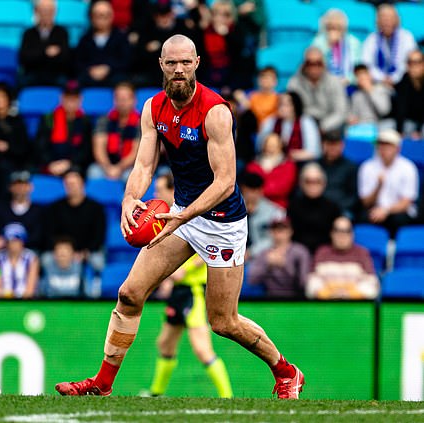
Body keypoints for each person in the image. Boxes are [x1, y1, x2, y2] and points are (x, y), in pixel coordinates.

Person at [54, 34, 305, 399]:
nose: (178, 69)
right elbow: (143, 164)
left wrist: (182, 215)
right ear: (161, 64)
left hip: (222, 222)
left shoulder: (216, 111)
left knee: (223, 322)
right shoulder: (153, 109)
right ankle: (102, 383)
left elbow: (226, 182)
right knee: (129, 293)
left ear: (197, 64)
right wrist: (129, 198)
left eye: (185, 62)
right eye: (171, 62)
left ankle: (286, 371)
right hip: (182, 216)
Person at [145, 171, 232, 398]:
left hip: (194, 291)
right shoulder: (173, 215)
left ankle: (228, 397)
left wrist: (184, 269)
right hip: (179, 291)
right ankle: (156, 394)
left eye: (159, 189)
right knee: (165, 343)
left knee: (202, 349)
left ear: (172, 190)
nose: (156, 194)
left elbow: (208, 245)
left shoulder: (192, 212)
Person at [358, 128, 419, 237]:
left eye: (388, 146)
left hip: (398, 212)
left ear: (397, 148)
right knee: (363, 217)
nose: (383, 149)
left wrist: (385, 210)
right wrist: (379, 186)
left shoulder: (408, 167)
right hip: (374, 210)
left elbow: (406, 202)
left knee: (398, 220)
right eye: (380, 145)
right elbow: (366, 202)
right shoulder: (367, 167)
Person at [306, 216, 379, 300]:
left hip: (355, 307)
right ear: (331, 233)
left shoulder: (362, 253)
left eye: (346, 231)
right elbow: (311, 283)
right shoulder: (322, 253)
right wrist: (329, 294)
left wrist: (350, 294)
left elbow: (372, 285)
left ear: (352, 234)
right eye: (337, 231)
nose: (342, 235)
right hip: (326, 307)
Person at [35, 81, 93, 176]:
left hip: (75, 166)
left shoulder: (85, 121)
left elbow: (86, 150)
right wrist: (50, 163)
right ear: (61, 98)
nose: (71, 102)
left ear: (80, 100)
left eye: (74, 99)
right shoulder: (48, 118)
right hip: (50, 165)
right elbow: (41, 146)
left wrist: (69, 163)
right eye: (68, 98)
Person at [287, 46, 349, 134]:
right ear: (304, 64)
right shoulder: (294, 83)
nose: (314, 67)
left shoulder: (335, 82)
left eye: (318, 63)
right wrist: (308, 127)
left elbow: (341, 112)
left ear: (323, 64)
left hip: (328, 126)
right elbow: (291, 111)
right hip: (303, 127)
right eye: (310, 63)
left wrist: (322, 126)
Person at [87, 81, 141, 181]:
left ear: (134, 100)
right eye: (118, 99)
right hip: (106, 165)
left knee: (130, 176)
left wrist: (119, 168)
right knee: (94, 172)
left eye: (125, 99)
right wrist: (108, 168)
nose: (122, 102)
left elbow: (136, 152)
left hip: (130, 167)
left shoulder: (141, 122)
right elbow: (99, 149)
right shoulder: (104, 120)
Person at [247, 216, 311, 298]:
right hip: (271, 299)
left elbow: (303, 284)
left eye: (282, 229)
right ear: (271, 232)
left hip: (297, 299)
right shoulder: (265, 253)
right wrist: (268, 265)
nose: (278, 233)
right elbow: (251, 280)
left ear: (290, 231)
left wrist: (285, 265)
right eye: (275, 229)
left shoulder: (300, 252)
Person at [288, 163, 342, 255]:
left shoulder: (333, 207)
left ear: (324, 183)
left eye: (317, 181)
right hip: (298, 254)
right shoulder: (293, 206)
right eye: (308, 181)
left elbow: (337, 236)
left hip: (326, 254)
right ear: (301, 183)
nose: (312, 185)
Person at [75, 1, 132, 87]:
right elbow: (78, 62)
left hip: (114, 77)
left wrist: (108, 68)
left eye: (106, 16)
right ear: (91, 17)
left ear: (111, 16)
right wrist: (90, 70)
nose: (102, 20)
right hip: (89, 77)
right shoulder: (85, 39)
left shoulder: (121, 38)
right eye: (98, 16)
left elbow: (126, 61)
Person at [18, 0, 71, 88]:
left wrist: (38, 54)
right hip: (33, 74)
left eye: (49, 11)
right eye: (43, 11)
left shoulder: (62, 32)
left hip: (56, 74)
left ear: (55, 12)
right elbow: (25, 59)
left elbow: (65, 58)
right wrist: (46, 53)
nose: (46, 14)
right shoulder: (28, 34)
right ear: (36, 12)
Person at [257, 91, 321, 164]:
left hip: (300, 163)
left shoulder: (306, 122)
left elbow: (313, 152)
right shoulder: (271, 122)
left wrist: (289, 157)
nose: (282, 108)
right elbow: (260, 147)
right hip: (274, 162)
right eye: (280, 104)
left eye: (287, 105)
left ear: (295, 106)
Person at [362, 4, 417, 87]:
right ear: (378, 21)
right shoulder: (371, 39)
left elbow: (411, 62)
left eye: (390, 18)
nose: (387, 21)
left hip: (404, 81)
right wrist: (382, 78)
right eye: (383, 18)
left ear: (396, 20)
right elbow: (366, 64)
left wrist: (394, 78)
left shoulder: (406, 37)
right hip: (378, 82)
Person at [239, 171, 286, 258]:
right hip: (235, 254)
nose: (251, 195)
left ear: (261, 190)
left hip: (263, 257)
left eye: (255, 191)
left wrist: (250, 252)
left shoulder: (275, 212)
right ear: (243, 190)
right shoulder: (234, 210)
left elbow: (275, 238)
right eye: (248, 191)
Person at [310, 8, 362, 85]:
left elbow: (359, 67)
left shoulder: (354, 42)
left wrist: (348, 79)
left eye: (338, 27)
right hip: (324, 84)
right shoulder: (317, 42)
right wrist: (329, 44)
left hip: (349, 84)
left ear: (344, 28)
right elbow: (315, 64)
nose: (334, 31)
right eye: (331, 27)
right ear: (325, 28)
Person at [245, 132, 297, 209]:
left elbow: (283, 189)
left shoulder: (288, 165)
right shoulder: (253, 165)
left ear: (280, 146)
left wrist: (258, 190)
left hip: (277, 207)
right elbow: (248, 187)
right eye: (268, 144)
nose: (271, 147)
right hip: (254, 206)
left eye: (274, 145)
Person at [0, 223, 40, 299]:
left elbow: (30, 290)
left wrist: (15, 296)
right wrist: (9, 295)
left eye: (16, 240)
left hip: (25, 302)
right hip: (2, 301)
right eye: (9, 240)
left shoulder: (32, 259)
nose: (12, 244)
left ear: (23, 241)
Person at [317, 129, 359, 219]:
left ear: (342, 145)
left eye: (336, 144)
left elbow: (353, 197)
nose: (332, 148)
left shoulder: (351, 167)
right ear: (323, 145)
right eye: (329, 144)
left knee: (343, 222)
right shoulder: (315, 165)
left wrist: (335, 208)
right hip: (317, 207)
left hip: (341, 209)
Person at [393, 50, 424, 139]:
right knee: (386, 127)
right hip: (411, 121)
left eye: (417, 62)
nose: (413, 66)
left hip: (422, 124)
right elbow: (401, 108)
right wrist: (399, 131)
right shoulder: (405, 81)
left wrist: (418, 130)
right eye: (410, 62)